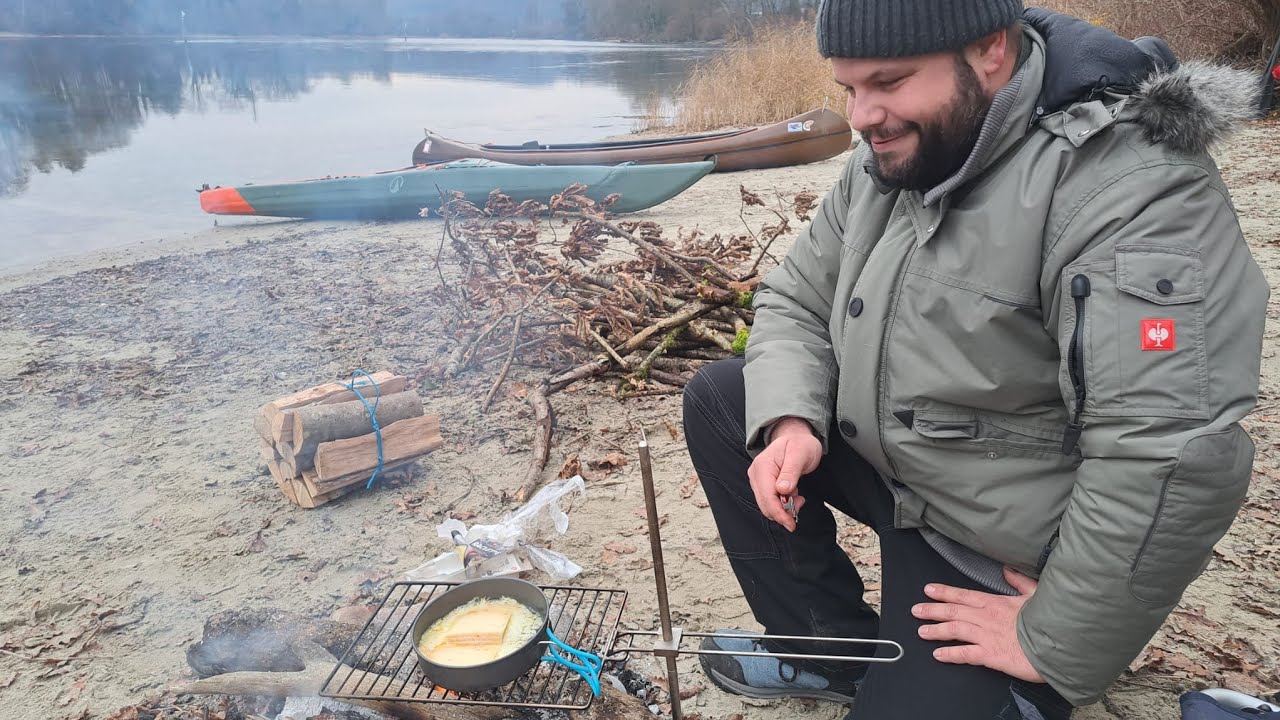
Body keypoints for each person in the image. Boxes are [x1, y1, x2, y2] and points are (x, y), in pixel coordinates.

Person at [680, 2, 1268, 719]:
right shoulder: (897, 150)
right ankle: (828, 653)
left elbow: (1175, 450)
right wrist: (793, 421)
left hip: (997, 543)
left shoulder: (1131, 187)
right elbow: (797, 299)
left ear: (991, 51)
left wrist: (1059, 636)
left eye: (889, 82)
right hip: (904, 472)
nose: (863, 116)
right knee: (724, 397)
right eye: (849, 88)